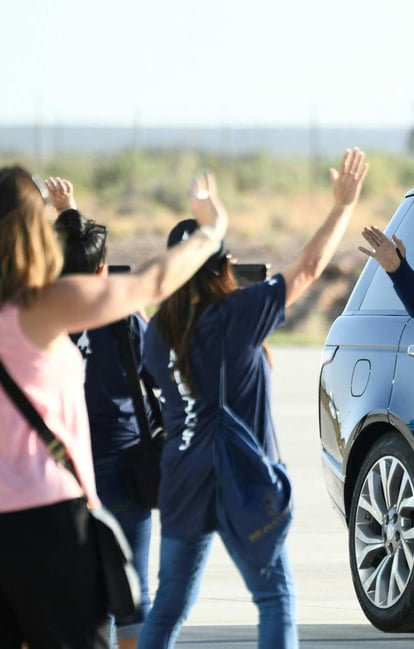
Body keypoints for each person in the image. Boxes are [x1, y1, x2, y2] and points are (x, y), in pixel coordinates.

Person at [138, 148, 368, 649]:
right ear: (220, 264)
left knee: (170, 604)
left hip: (182, 475)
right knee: (274, 599)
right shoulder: (238, 314)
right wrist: (342, 205)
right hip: (240, 477)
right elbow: (307, 268)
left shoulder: (156, 333)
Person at [0, 165, 228, 649]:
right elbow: (149, 282)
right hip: (50, 517)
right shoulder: (47, 307)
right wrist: (210, 231)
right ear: (34, 233)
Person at [51, 177, 157, 649]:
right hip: (125, 461)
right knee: (133, 590)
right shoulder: (125, 316)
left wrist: (68, 215)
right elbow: (160, 368)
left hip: (62, 466)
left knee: (67, 590)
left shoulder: (40, 319)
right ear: (103, 271)